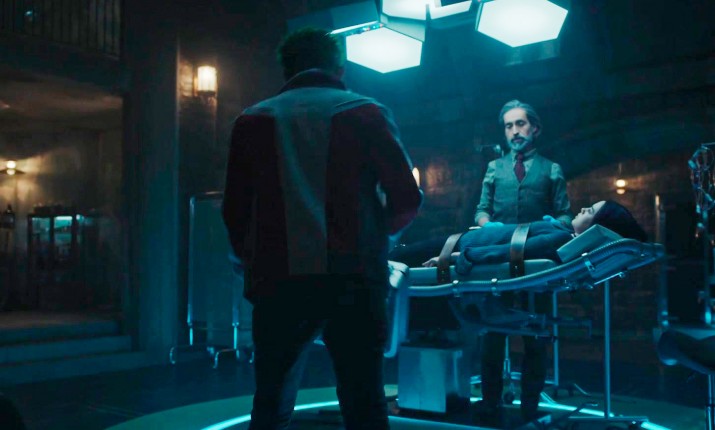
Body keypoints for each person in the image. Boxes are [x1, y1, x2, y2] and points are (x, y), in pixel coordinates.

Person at [222, 27, 423, 430]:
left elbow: (235, 209)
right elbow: (406, 198)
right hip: (354, 277)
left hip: (278, 280)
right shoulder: (366, 112)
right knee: (364, 402)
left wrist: (250, 260)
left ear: (286, 69)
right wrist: (376, 239)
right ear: (339, 68)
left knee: (272, 401)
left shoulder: (252, 120)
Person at [389, 200, 646, 424]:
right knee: (395, 259)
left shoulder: (560, 238)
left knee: (392, 259)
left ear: (595, 227)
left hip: (457, 247)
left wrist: (457, 258)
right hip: (461, 244)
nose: (582, 208)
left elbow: (513, 250)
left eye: (589, 211)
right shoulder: (562, 235)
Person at [475, 100, 572, 228]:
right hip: (502, 238)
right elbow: (482, 211)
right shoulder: (494, 167)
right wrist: (487, 224)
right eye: (509, 126)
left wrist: (557, 224)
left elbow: (565, 214)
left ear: (534, 128)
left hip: (539, 238)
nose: (515, 131)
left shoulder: (552, 169)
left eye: (520, 124)